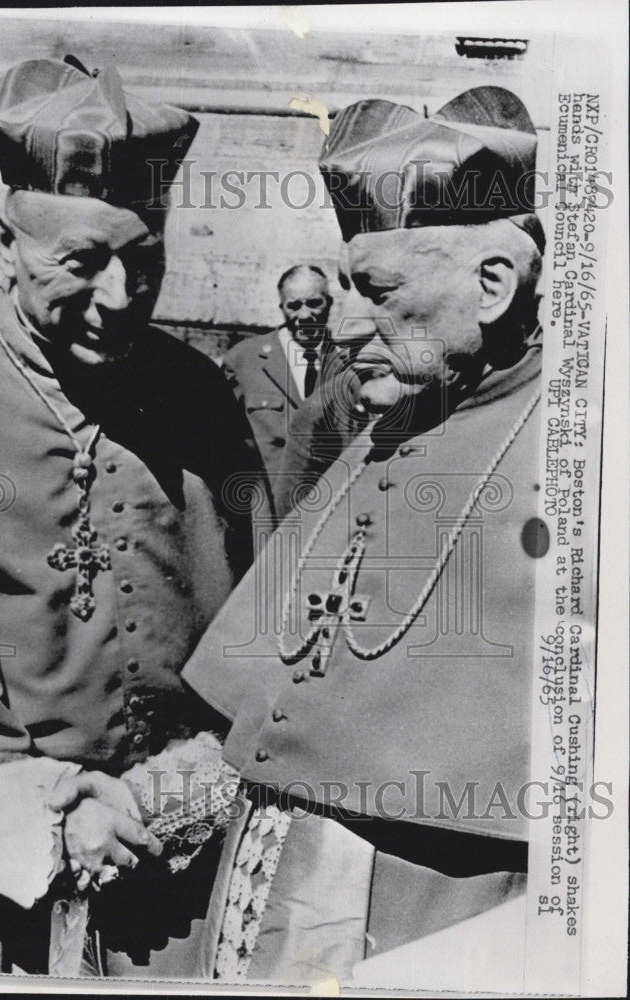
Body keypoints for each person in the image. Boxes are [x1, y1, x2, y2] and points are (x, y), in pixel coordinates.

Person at [0, 56, 262, 978]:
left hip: (177, 862)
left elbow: (258, 624)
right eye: (82, 263)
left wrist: (187, 783)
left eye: (147, 260)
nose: (122, 298)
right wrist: (58, 812)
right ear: (4, 239)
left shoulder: (197, 394)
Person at [182, 86, 546, 983]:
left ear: (492, 286)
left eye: (372, 290)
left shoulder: (577, 449)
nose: (342, 325)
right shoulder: (392, 418)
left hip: (441, 920)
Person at [222, 265, 334, 489]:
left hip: (329, 503)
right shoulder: (244, 359)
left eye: (314, 303)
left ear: (329, 304)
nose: (304, 315)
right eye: (294, 306)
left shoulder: (347, 362)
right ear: (281, 307)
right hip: (269, 506)